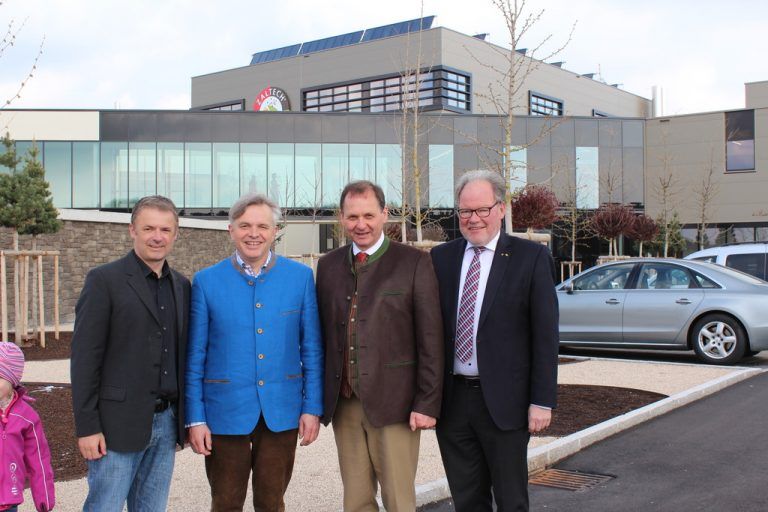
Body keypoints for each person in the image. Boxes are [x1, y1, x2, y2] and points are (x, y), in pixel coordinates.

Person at [430, 170, 559, 511]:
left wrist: (542, 400)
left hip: (505, 405)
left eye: (482, 209)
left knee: (511, 499)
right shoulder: (441, 259)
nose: (473, 219)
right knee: (467, 499)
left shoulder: (530, 258)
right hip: (453, 403)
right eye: (465, 211)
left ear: (501, 209)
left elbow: (545, 335)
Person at [185, 192, 323, 512]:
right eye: (245, 225)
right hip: (224, 411)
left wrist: (312, 408)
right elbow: (195, 355)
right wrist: (195, 418)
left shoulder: (300, 278)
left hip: (282, 410)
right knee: (225, 502)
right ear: (230, 230)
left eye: (263, 225)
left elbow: (312, 349)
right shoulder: (206, 282)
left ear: (275, 231)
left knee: (271, 502)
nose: (254, 233)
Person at [315, 180, 443, 512]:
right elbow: (322, 336)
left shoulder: (414, 262)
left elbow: (431, 339)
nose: (361, 224)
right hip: (345, 403)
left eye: (369, 215)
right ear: (341, 218)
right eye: (352, 216)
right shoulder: (327, 266)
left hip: (396, 404)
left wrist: (427, 402)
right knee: (355, 500)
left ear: (384, 214)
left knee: (399, 501)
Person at [71, 195, 191, 512]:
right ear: (132, 231)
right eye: (148, 227)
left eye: (165, 229)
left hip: (166, 424)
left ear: (176, 234)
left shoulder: (182, 286)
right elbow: (85, 361)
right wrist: (87, 427)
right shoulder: (104, 281)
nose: (157, 236)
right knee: (104, 506)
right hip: (115, 426)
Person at [0, 342, 55, 512]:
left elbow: (38, 460)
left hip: (8, 499)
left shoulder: (26, 417)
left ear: (12, 380)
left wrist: (44, 497)